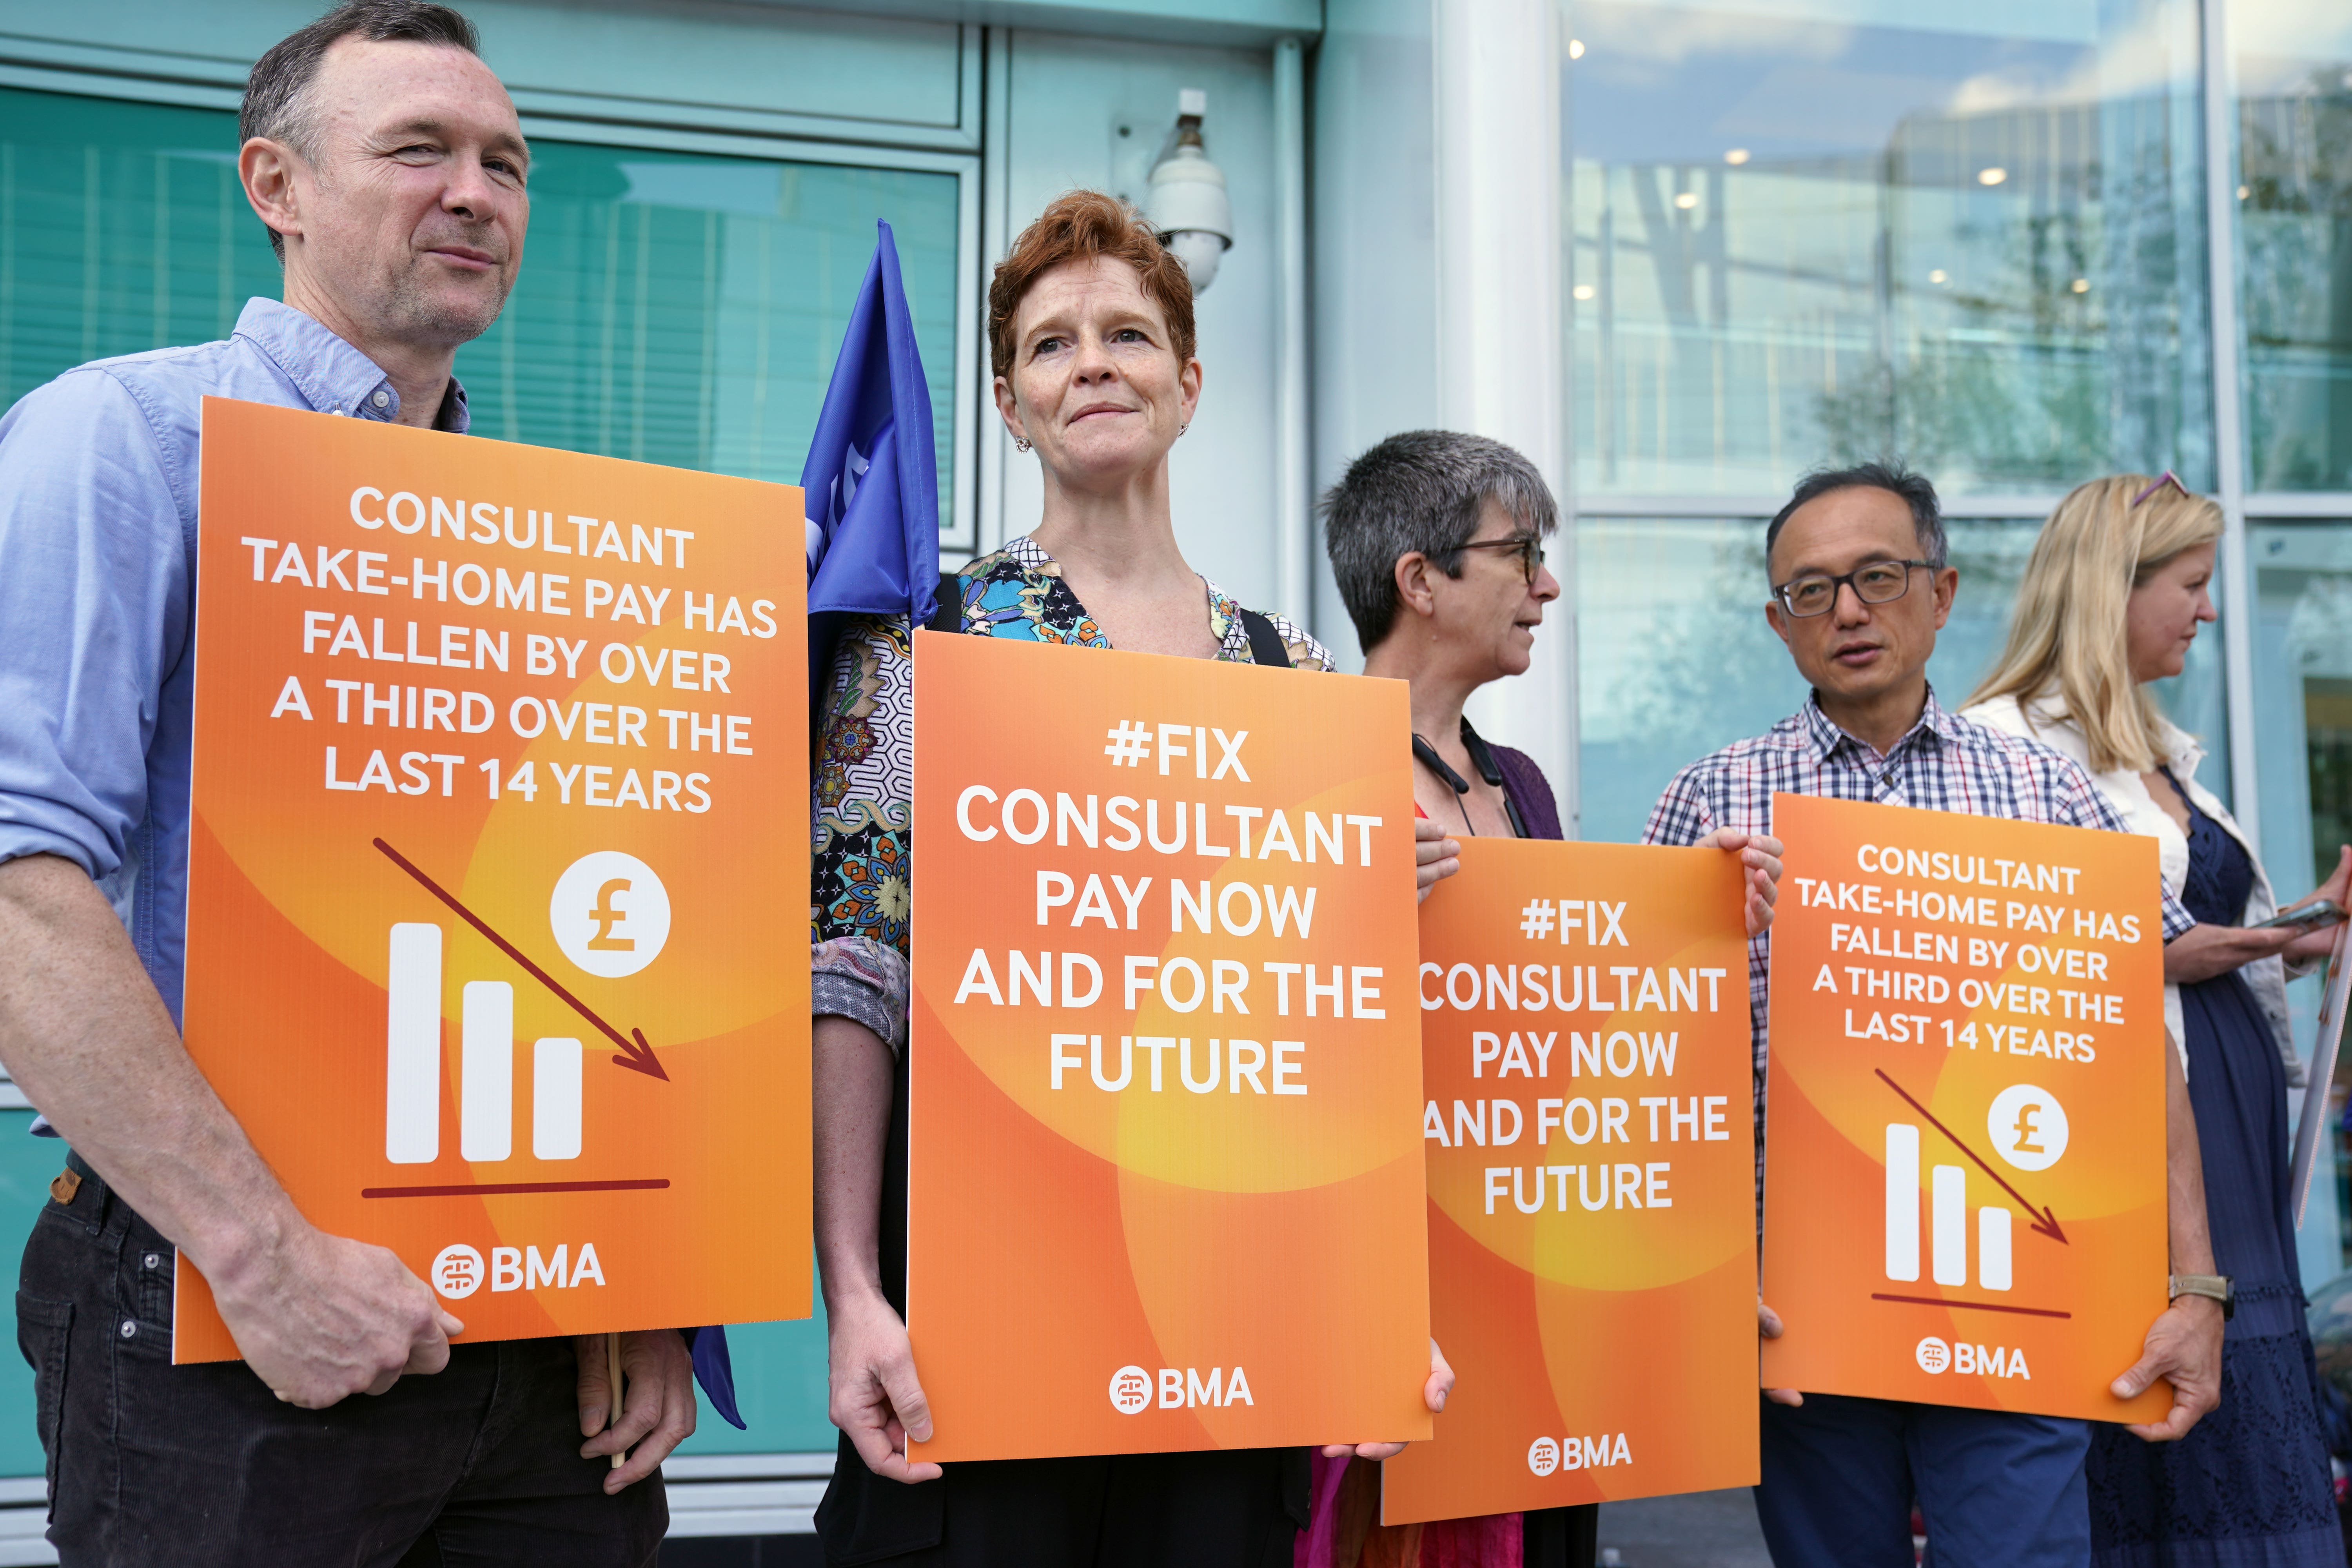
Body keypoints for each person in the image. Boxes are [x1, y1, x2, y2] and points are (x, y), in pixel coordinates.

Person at [0, 6, 700, 1563]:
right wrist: (259, 1257)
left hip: (544, 1351)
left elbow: (600, 933)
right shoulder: (123, 441)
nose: (476, 192)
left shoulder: (560, 542)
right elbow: (15, 883)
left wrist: (640, 1286)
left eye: (506, 163)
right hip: (229, 1312)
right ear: (279, 183)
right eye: (419, 150)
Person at [808, 191, 1454, 1567]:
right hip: (981, 1313)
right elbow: (853, 973)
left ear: (1190, 381)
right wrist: (852, 1290)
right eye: (1050, 346)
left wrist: (1368, 1299)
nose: (1091, 363)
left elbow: (1326, 1020)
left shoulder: (1290, 670)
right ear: (1009, 403)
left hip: (1229, 1319)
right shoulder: (927, 641)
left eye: (1127, 335)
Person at [1642, 462, 2223, 1567]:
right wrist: (1701, 932)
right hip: (1796, 1309)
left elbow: (2134, 1049)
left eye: (1878, 576)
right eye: (1812, 592)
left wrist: (2195, 1286)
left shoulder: (2048, 797)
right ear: (1777, 622)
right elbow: (1643, 1068)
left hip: (2016, 1293)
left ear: (1943, 593)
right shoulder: (1709, 801)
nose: (1849, 611)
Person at [1313, 429, 1783, 1568]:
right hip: (1377, 1313)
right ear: (1420, 580)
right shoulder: (1306, 763)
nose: (1548, 584)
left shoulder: (1517, 784)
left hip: (1527, 1304)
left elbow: (1567, 1035)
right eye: (1521, 553)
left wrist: (1700, 915)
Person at [1963, 471, 2350, 1567]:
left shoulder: (2161, 747)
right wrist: (2282, 934)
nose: (2210, 611)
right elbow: (2076, 952)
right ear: (2109, 591)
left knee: (2241, 1386)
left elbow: (2213, 933)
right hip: (2127, 1120)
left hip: (2224, 1109)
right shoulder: (2005, 749)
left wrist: (2318, 920)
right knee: (2159, 1390)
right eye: (2192, 583)